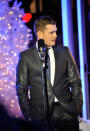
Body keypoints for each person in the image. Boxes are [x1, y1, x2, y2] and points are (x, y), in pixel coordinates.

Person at [16, 16, 83, 131]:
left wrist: (76, 106)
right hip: (40, 115)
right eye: (51, 32)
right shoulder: (26, 57)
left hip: (66, 111)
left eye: (56, 32)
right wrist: (29, 115)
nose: (55, 35)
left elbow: (75, 81)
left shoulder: (64, 52)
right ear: (40, 34)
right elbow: (21, 89)